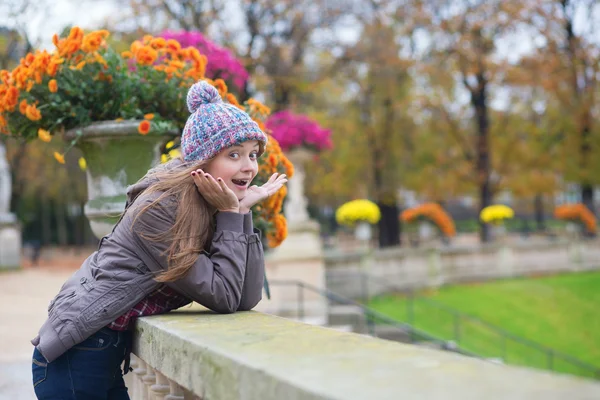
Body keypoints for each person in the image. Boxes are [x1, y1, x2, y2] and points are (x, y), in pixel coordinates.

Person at [30, 81, 287, 399]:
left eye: (252, 154)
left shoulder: (210, 204)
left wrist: (241, 211)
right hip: (76, 358)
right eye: (234, 154)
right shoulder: (162, 208)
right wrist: (232, 215)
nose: (249, 166)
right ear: (201, 160)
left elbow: (244, 299)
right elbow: (223, 296)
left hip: (101, 353)